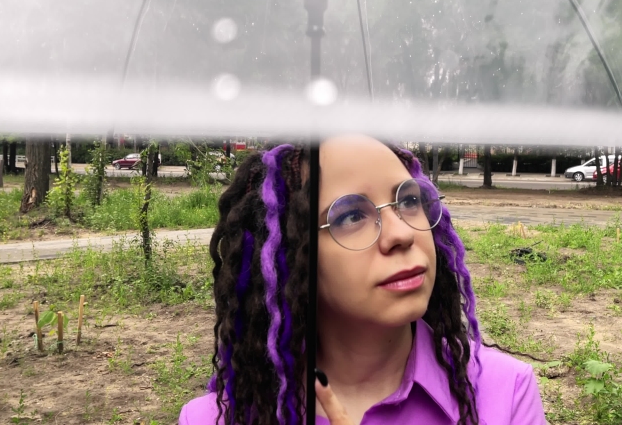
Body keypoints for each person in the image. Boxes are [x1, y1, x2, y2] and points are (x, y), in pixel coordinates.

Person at [180, 135, 547, 425]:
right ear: (290, 256)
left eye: (409, 200)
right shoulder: (211, 419)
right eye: (352, 215)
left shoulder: (505, 393)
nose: (402, 234)